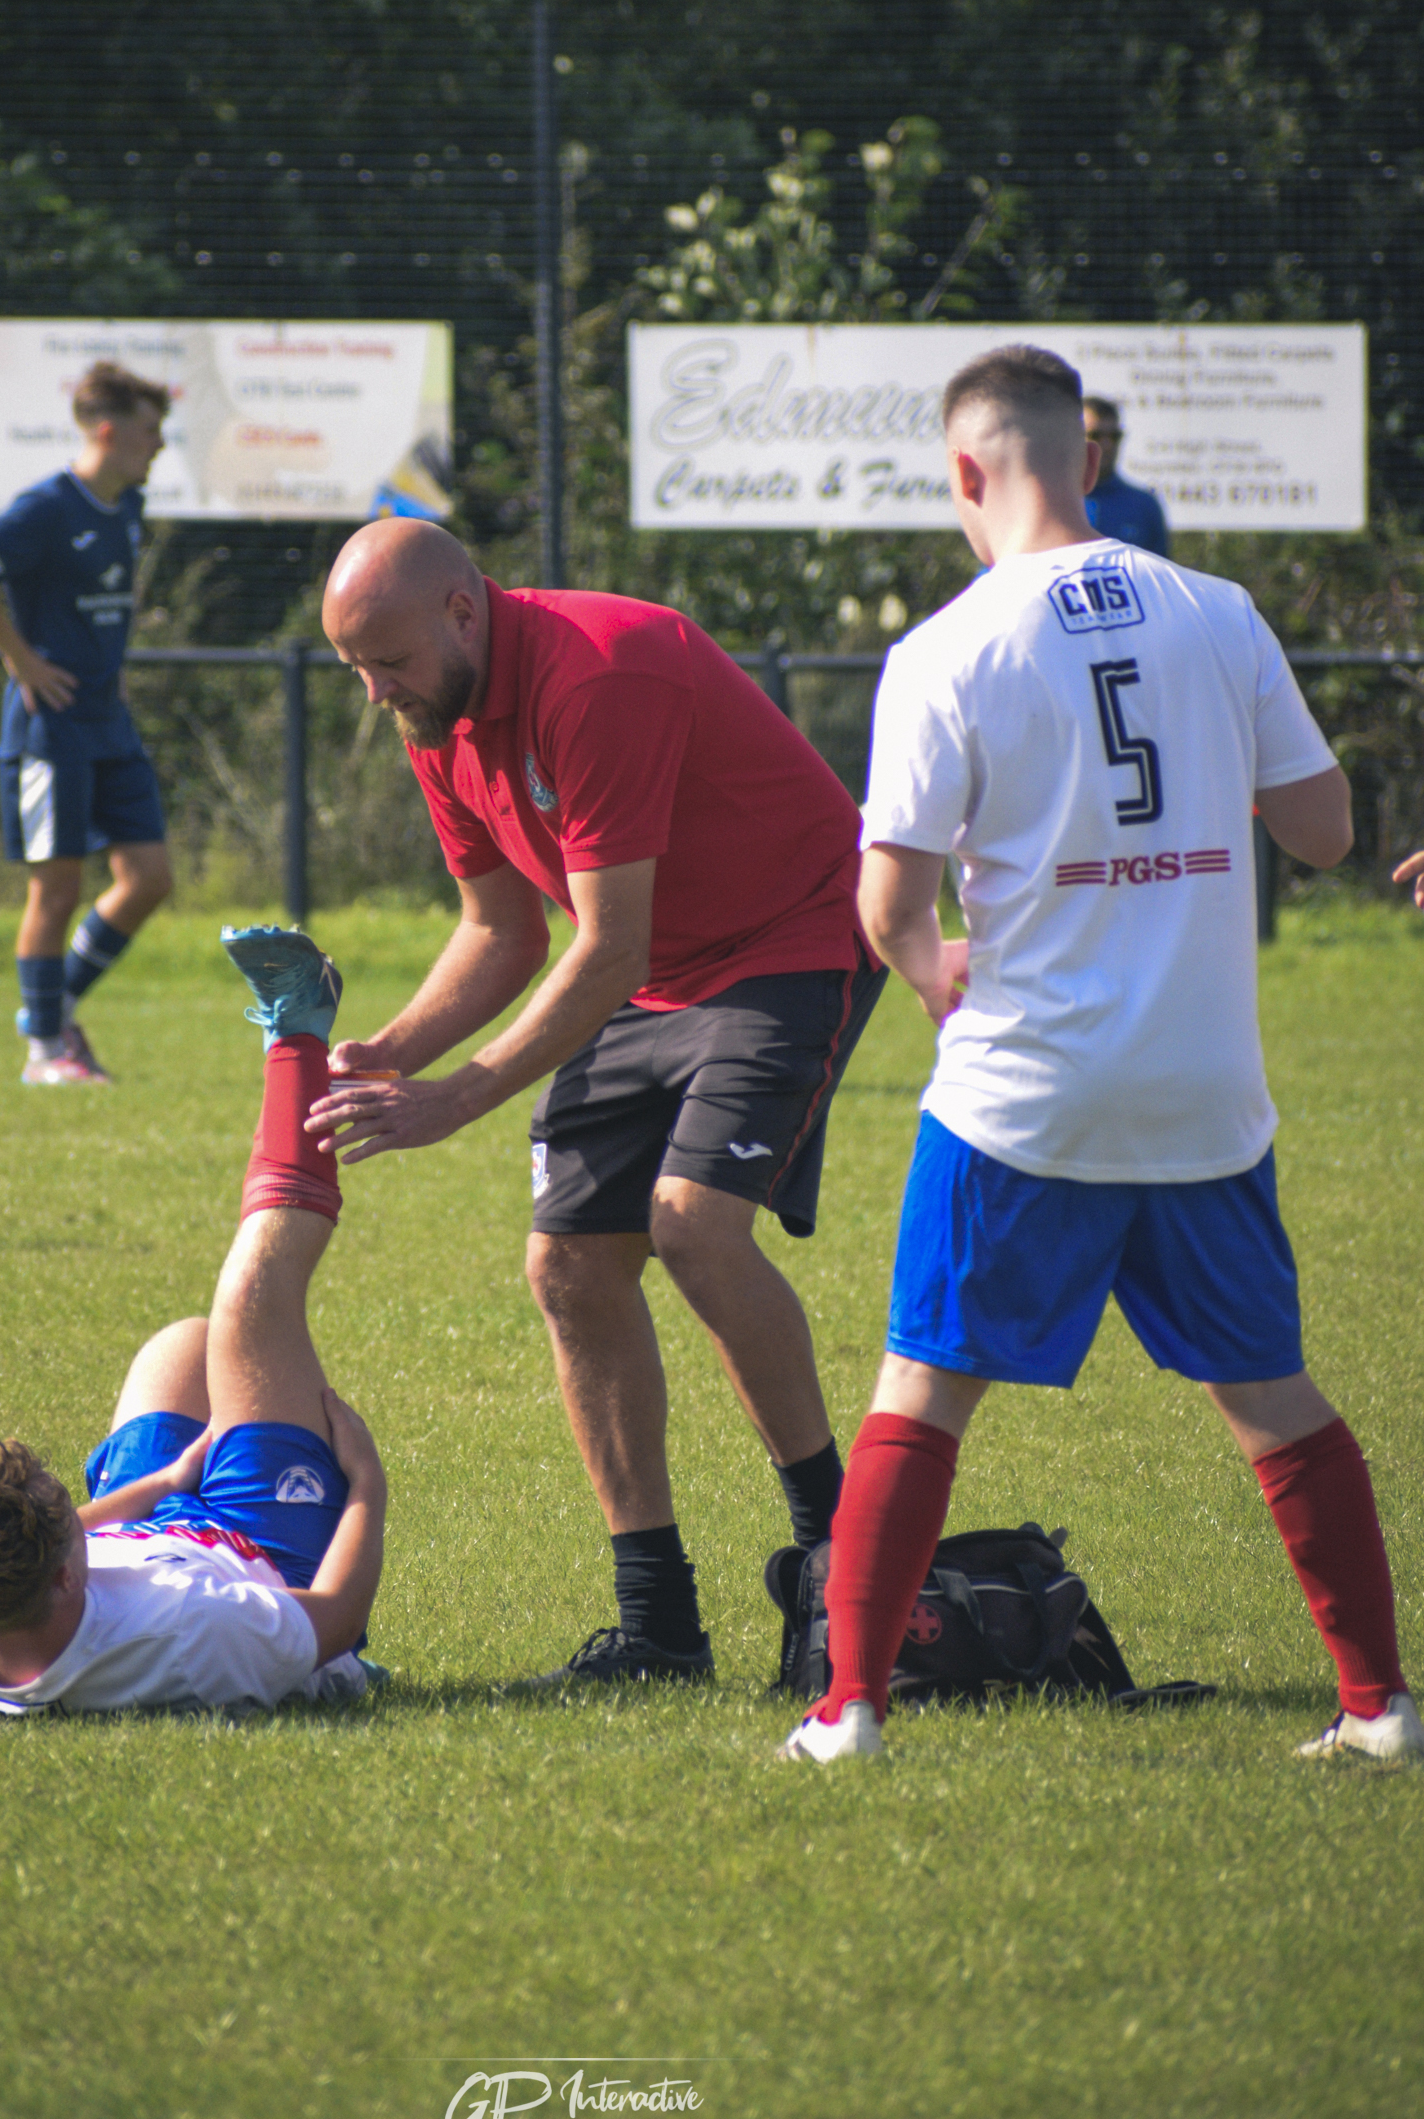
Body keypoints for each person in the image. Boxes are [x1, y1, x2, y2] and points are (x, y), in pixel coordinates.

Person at [782, 343, 1419, 1767]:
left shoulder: (944, 646)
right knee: (1273, 1403)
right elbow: (1319, 833)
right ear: (1086, 454)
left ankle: (848, 1715)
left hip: (1023, 1095)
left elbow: (886, 902)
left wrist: (926, 964)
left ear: (964, 470)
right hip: (1203, 1093)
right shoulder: (1218, 613)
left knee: (920, 1389)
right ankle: (1377, 1708)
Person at [308, 521, 887, 1688]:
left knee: (690, 1222)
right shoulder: (443, 715)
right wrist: (389, 1051)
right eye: (351, 669)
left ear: (463, 613)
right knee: (567, 1266)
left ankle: (850, 1568)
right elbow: (500, 929)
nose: (375, 694)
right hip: (652, 968)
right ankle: (657, 1627)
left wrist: (454, 1096)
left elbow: (605, 946)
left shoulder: (600, 672)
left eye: (388, 661)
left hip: (789, 939)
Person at [0, 926, 387, 1715]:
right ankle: (299, 1027)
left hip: (163, 1521)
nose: (69, 1505)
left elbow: (6, 1558)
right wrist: (366, 1487)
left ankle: (294, 1038)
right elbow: (333, 1622)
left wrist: (160, 1485)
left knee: (182, 1346)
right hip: (257, 1548)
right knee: (253, 1296)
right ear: (63, 1571)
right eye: (62, 1510)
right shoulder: (190, 1634)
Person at [0, 360, 176, 1086]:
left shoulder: (127, 508)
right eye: (147, 431)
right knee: (58, 891)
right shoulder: (47, 505)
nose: (157, 447)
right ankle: (45, 1052)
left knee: (150, 878)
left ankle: (51, 1005)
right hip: (51, 727)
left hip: (109, 721)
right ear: (108, 429)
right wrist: (20, 658)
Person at [1083, 394, 1170, 557]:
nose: (1107, 445)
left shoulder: (1143, 506)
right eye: (1095, 436)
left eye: (1114, 437)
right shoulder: (1053, 503)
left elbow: (1159, 575)